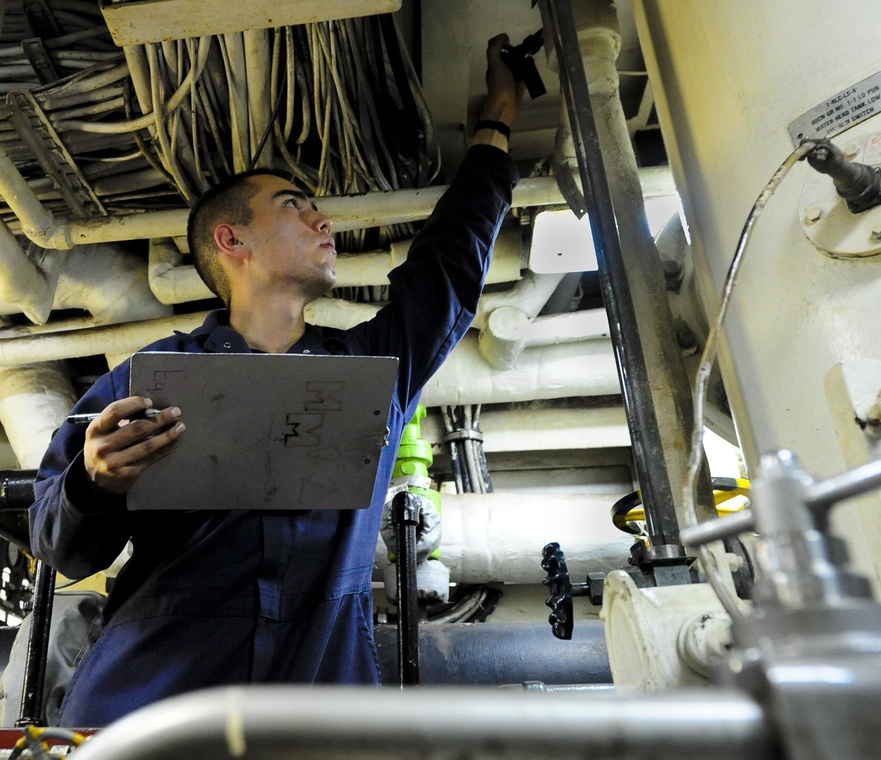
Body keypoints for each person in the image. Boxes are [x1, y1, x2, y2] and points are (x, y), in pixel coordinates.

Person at [27, 34, 522, 727]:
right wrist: (92, 481)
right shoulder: (144, 383)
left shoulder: (371, 373)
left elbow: (450, 265)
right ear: (233, 242)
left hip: (318, 716)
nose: (323, 219)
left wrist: (497, 118)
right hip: (150, 713)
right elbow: (58, 543)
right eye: (294, 204)